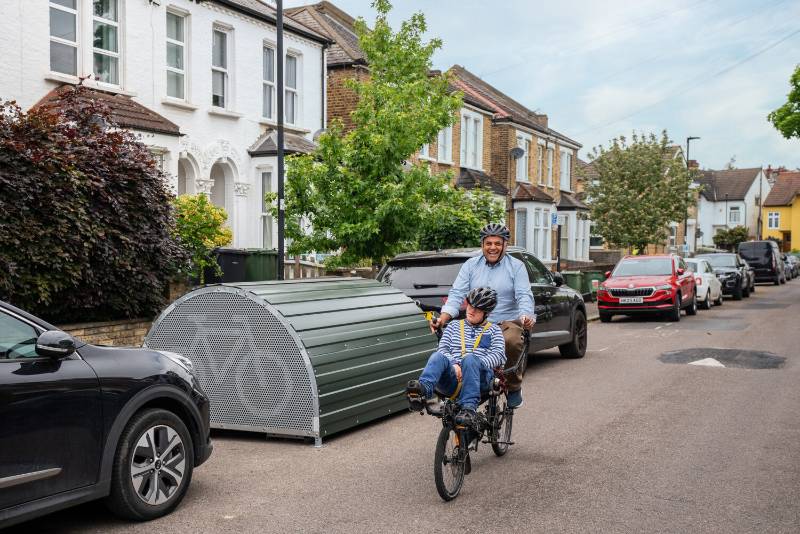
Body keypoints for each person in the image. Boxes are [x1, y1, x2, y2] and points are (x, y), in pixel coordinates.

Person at [432, 222, 534, 408]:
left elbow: (524, 295)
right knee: (454, 347)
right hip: (475, 323)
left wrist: (526, 316)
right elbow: (456, 294)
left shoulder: (516, 266)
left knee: (511, 341)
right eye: (488, 243)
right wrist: (443, 318)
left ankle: (513, 386)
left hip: (505, 322)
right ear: (482, 244)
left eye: (497, 243)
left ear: (505, 245)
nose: (492, 247)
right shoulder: (471, 265)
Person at [406, 287, 505, 426]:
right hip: (453, 379)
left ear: (486, 313)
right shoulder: (453, 326)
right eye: (470, 305)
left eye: (477, 308)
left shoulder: (494, 330)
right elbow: (443, 348)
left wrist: (470, 364)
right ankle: (422, 391)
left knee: (470, 359)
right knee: (437, 356)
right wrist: (454, 363)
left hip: (480, 380)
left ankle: (469, 409)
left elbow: (499, 355)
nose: (471, 310)